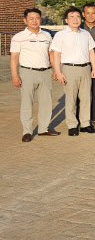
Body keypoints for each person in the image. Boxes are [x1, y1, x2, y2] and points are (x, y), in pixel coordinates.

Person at [50, 7, 95, 136]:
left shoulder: (85, 34)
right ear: (66, 20)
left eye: (77, 17)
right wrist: (58, 72)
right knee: (71, 98)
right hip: (69, 69)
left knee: (85, 98)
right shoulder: (60, 35)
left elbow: (91, 51)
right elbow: (56, 55)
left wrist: (94, 67)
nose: (75, 19)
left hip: (86, 68)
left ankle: (85, 124)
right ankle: (72, 125)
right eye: (71, 17)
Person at [10, 8, 58, 142]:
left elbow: (51, 54)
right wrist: (15, 76)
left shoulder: (47, 36)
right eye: (31, 18)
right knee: (27, 102)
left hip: (45, 72)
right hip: (27, 72)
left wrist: (55, 70)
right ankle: (27, 131)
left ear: (40, 19)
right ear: (25, 20)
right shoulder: (18, 37)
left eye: (37, 18)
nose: (34, 21)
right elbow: (14, 58)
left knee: (46, 101)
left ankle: (43, 128)